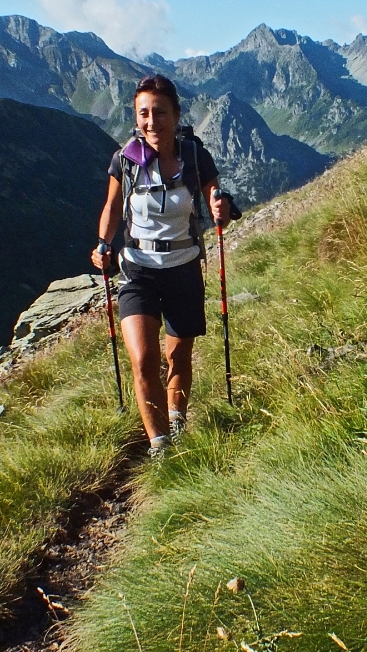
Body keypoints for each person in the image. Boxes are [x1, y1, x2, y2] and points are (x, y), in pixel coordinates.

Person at [91, 75, 230, 458]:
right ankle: (160, 446)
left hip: (184, 266)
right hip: (138, 268)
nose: (152, 122)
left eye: (159, 113)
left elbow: (218, 205)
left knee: (177, 356)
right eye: (144, 114)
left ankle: (178, 420)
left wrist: (222, 209)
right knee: (144, 358)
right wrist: (103, 244)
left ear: (176, 114)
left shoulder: (196, 157)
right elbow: (112, 207)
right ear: (137, 117)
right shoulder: (125, 160)